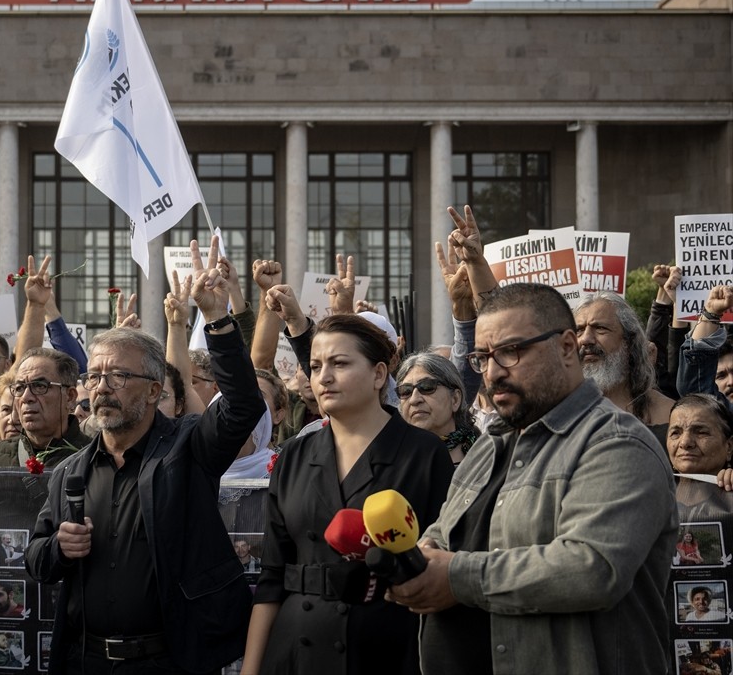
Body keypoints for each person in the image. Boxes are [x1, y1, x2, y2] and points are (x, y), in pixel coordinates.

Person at [389, 282, 677, 675]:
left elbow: (593, 568)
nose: (493, 373)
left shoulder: (617, 443)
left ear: (567, 347)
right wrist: (417, 562)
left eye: (511, 351)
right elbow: (444, 533)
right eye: (482, 357)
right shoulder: (488, 447)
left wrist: (456, 576)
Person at [26, 240, 267, 674]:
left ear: (155, 390)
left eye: (119, 375)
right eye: (95, 376)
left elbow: (244, 407)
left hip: (169, 661)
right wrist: (59, 547)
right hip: (87, 661)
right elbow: (36, 559)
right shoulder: (70, 473)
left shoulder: (188, 447)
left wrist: (216, 318)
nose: (102, 387)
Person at [241, 309, 453, 675]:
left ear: (379, 374)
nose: (323, 377)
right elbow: (273, 577)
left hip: (388, 647)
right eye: (315, 366)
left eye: (339, 363)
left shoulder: (423, 453)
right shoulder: (294, 455)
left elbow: (442, 560)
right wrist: (251, 669)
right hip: (297, 649)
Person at [575, 291, 675, 440]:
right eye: (579, 330)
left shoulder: (671, 417)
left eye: (600, 328)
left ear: (629, 341)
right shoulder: (560, 414)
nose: (586, 339)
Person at [0, 348, 89, 470]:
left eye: (40, 386)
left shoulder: (92, 456)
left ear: (69, 397)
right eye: (20, 388)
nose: (26, 397)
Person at [395, 351, 478, 464]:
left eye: (427, 387)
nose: (414, 399)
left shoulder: (486, 455)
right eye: (406, 391)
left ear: (455, 399)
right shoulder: (389, 459)